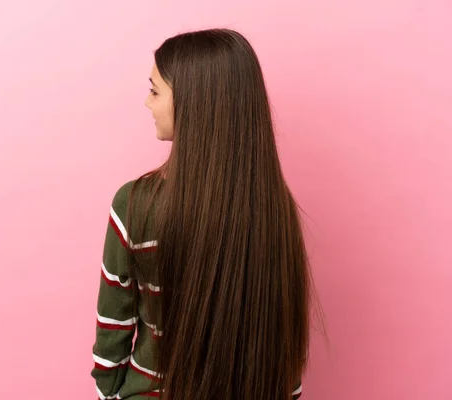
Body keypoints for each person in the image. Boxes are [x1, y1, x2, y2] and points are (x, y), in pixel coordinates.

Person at [91, 28, 313, 400]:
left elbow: (113, 331)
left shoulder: (135, 204)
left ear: (195, 104)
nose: (148, 103)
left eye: (155, 91)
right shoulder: (277, 209)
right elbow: (284, 342)